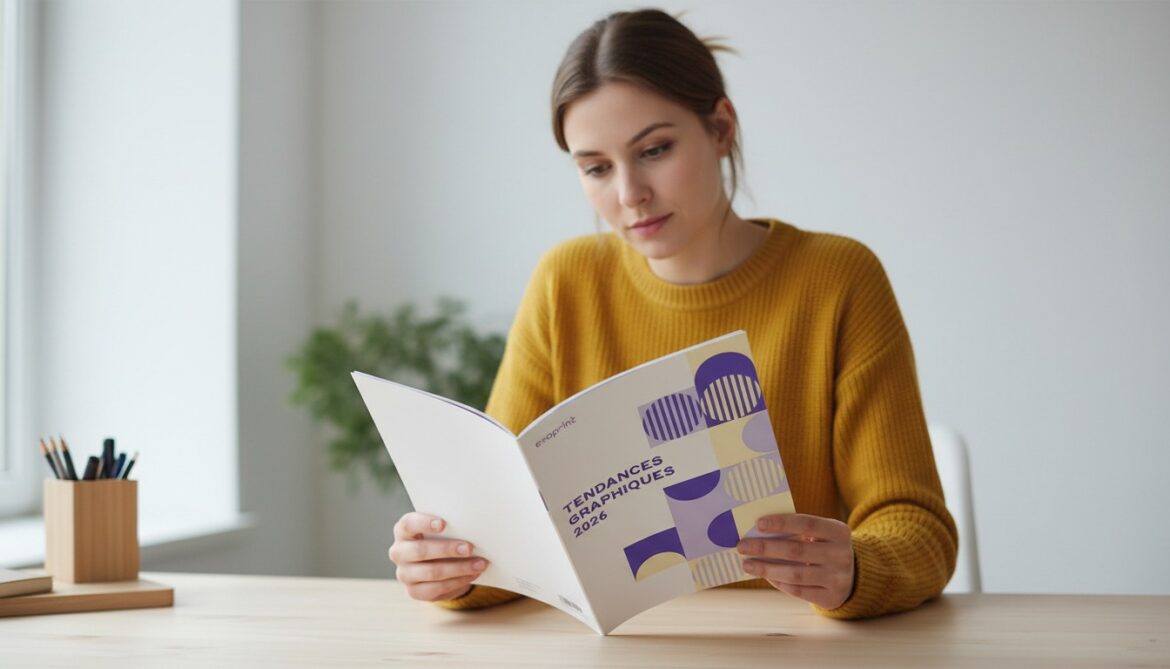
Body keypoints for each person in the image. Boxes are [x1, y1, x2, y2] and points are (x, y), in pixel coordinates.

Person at [388, 8, 957, 620]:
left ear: (720, 128)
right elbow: (508, 532)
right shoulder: (566, 283)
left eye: (654, 149)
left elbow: (917, 528)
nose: (629, 194)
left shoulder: (838, 278)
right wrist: (456, 568)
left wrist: (856, 569)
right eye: (596, 168)